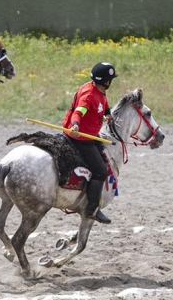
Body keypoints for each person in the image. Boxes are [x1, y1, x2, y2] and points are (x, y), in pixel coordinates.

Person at [62, 62, 118, 224]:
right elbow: (80, 111)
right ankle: (92, 208)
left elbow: (103, 102)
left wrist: (107, 114)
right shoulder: (89, 96)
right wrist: (75, 124)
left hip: (90, 134)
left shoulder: (97, 89)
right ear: (107, 82)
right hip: (81, 137)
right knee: (101, 170)